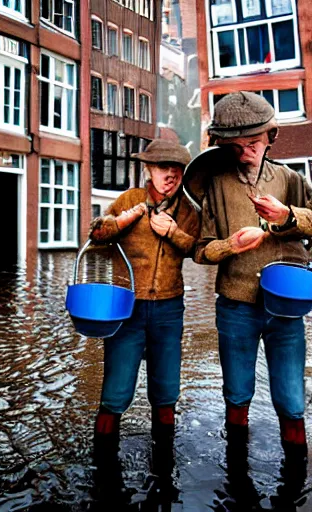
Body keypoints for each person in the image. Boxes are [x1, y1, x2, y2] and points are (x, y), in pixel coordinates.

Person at [190, 91, 312, 466]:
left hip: (287, 307)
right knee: (237, 393)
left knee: (291, 400)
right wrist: (230, 245)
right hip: (235, 307)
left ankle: (296, 471)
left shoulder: (291, 179)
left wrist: (286, 217)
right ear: (223, 146)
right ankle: (236, 470)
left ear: (270, 137)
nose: (246, 153)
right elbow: (200, 250)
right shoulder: (215, 185)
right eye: (236, 146)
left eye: (254, 143)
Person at [89, 139, 200, 480]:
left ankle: (164, 470)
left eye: (177, 170)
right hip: (128, 309)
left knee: (166, 391)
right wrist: (125, 220)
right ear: (148, 170)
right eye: (164, 168)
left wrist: (174, 233)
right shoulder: (128, 199)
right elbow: (96, 235)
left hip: (169, 309)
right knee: (116, 390)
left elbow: (198, 250)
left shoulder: (188, 210)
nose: (171, 175)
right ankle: (102, 471)